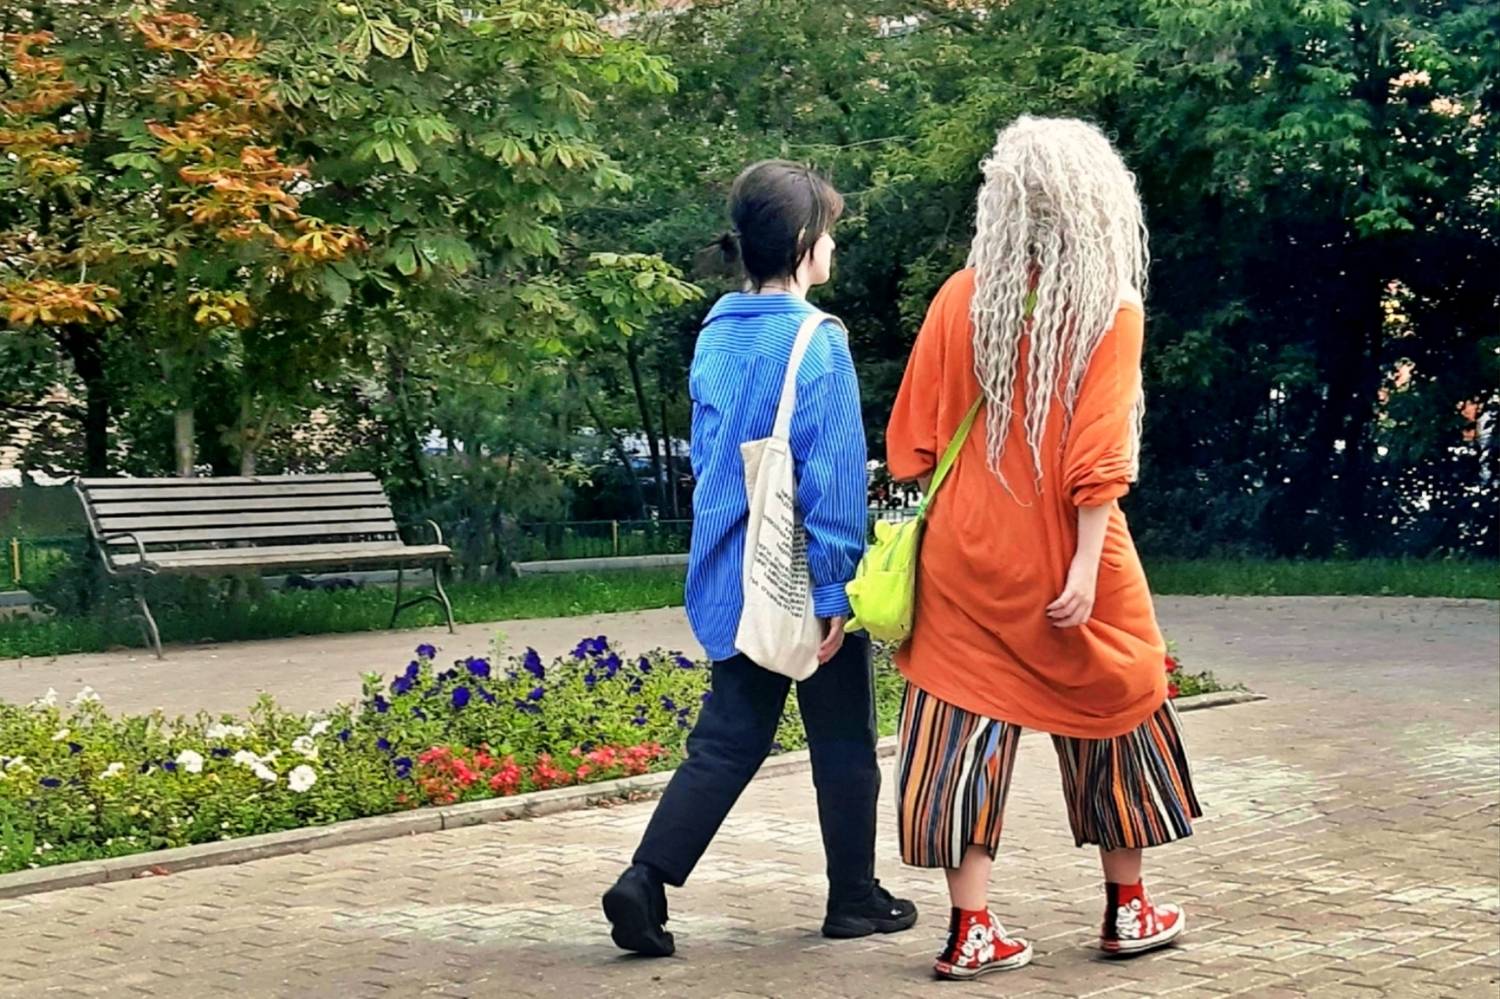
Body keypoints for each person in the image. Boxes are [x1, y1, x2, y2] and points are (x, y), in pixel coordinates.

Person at [884, 117, 1202, 981]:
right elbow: (1098, 458)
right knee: (1120, 700)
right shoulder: (1110, 308)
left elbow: (914, 440)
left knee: (957, 725)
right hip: (1069, 549)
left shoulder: (962, 296)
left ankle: (970, 928)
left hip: (964, 552)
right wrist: (1081, 568)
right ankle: (1128, 907)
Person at [603, 160, 918, 958]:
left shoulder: (717, 331)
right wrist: (837, 587)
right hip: (801, 574)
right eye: (830, 231)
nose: (834, 245)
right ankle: (853, 898)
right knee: (843, 740)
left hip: (732, 569)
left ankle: (646, 877)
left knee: (726, 740)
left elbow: (713, 457)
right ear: (805, 241)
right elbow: (832, 475)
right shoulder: (818, 340)